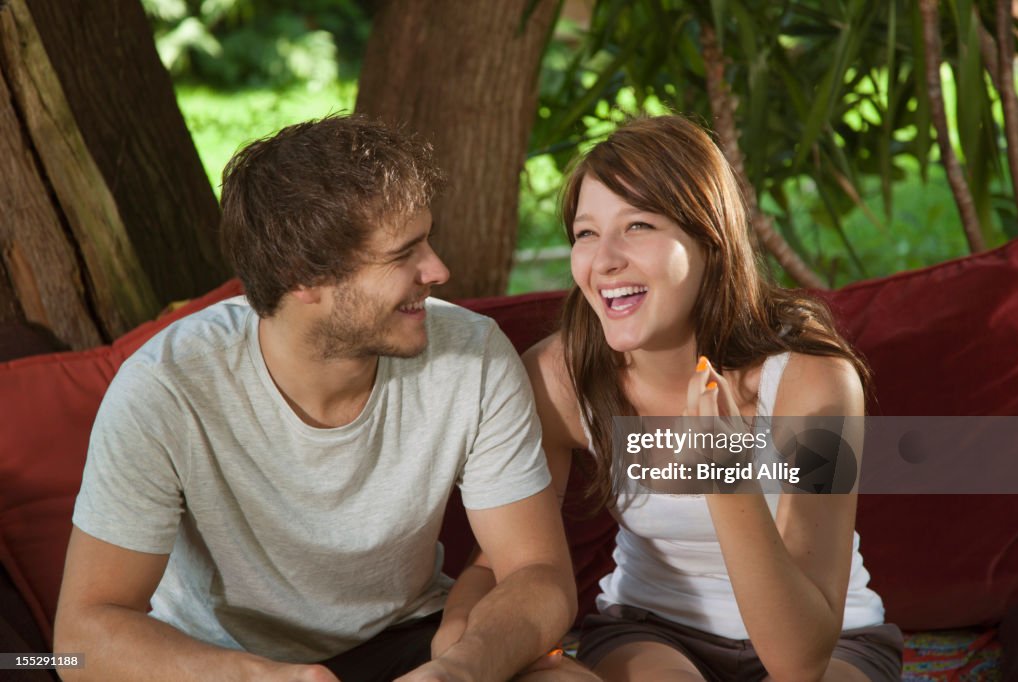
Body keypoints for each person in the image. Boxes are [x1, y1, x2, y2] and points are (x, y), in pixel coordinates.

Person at [53, 115, 585, 682]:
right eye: (404, 254)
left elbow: (540, 574)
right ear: (301, 276)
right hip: (218, 662)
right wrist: (261, 678)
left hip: (410, 640)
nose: (438, 270)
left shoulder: (473, 356)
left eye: (427, 240)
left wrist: (460, 669)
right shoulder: (165, 388)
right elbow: (78, 640)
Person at [521, 115, 903, 681]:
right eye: (585, 233)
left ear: (710, 240)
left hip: (829, 640)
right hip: (652, 630)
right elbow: (519, 564)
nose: (604, 261)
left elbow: (800, 661)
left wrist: (726, 480)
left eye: (639, 225)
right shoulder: (559, 376)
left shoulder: (814, 384)